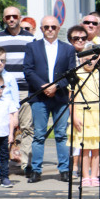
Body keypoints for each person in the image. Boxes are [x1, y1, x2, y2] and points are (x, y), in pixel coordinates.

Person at [23, 17, 73, 183]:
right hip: (39, 97)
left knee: (61, 135)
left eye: (53, 27)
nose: (50, 30)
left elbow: (71, 73)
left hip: (60, 97)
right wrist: (43, 86)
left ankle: (64, 170)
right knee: (39, 135)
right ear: (42, 29)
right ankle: (36, 170)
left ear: (59, 29)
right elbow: (28, 70)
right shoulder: (32, 47)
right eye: (46, 27)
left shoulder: (68, 49)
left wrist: (56, 86)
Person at [0, 6, 34, 176]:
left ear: (20, 18)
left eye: (14, 16)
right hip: (1, 89)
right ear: (4, 19)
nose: (11, 19)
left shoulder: (31, 39)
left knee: (26, 128)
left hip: (25, 89)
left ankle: (26, 164)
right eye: (8, 17)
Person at [71, 45, 100, 187]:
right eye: (86, 59)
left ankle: (95, 175)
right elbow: (72, 99)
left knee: (96, 149)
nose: (89, 61)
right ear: (81, 59)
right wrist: (74, 116)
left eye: (92, 59)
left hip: (98, 116)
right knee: (84, 148)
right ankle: (85, 176)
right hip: (82, 116)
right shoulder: (77, 75)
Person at [0, 72, 18, 187]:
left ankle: (4, 177)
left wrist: (11, 134)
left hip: (4, 134)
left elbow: (11, 118)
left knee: (4, 157)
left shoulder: (7, 101)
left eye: (1, 87)